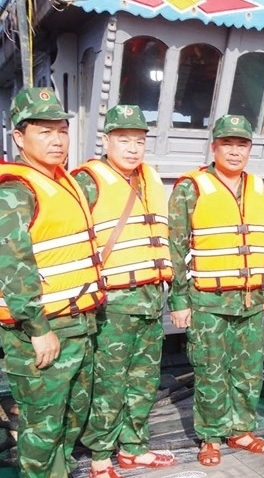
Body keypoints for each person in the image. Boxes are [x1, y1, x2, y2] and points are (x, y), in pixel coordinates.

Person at [0, 87, 105, 477]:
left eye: (61, 130)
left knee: (70, 420)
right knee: (41, 431)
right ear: (19, 137)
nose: (57, 140)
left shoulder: (65, 181)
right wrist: (37, 328)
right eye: (44, 132)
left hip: (79, 325)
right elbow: (13, 265)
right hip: (42, 332)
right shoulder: (15, 190)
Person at [73, 105, 176, 477]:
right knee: (109, 383)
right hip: (111, 304)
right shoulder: (88, 180)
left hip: (150, 300)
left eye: (139, 141)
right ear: (106, 140)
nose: (132, 149)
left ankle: (134, 448)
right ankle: (100, 456)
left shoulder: (150, 178)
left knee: (144, 380)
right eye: (123, 140)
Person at [168, 114, 264, 466]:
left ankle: (240, 429)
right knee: (210, 369)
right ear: (214, 147)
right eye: (227, 144)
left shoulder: (258, 186)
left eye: (241, 144)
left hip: (251, 300)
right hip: (209, 300)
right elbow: (176, 247)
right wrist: (179, 300)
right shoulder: (191, 187)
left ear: (249, 149)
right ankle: (210, 436)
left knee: (248, 370)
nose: (234, 151)